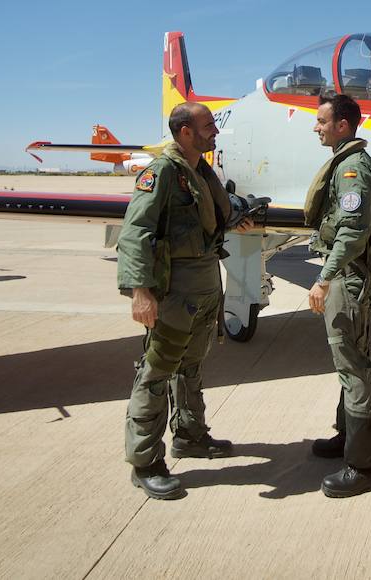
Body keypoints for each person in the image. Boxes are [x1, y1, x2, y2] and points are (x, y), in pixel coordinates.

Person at [119, 102, 253, 500]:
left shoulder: (200, 171)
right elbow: (135, 232)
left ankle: (191, 436)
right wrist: (140, 291)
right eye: (208, 126)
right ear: (184, 132)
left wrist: (237, 215)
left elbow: (209, 216)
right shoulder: (162, 172)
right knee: (156, 373)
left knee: (191, 367)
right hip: (175, 293)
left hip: (205, 287)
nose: (215, 131)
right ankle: (145, 463)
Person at [306, 92, 371, 498]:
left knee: (353, 367)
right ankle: (346, 438)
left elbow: (352, 233)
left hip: (347, 280)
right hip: (349, 277)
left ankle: (364, 466)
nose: (316, 127)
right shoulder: (348, 161)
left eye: (322, 121)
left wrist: (324, 278)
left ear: (342, 125)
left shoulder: (352, 168)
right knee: (348, 362)